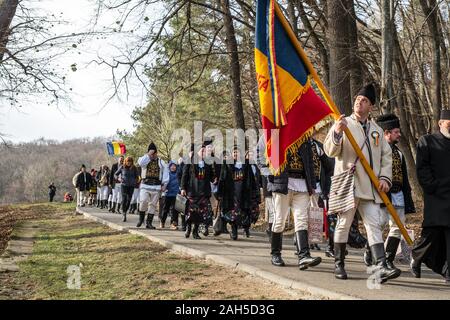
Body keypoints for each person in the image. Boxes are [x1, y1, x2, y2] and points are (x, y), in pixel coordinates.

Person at [324, 83, 400, 283]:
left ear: (371, 106)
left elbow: (386, 157)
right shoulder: (343, 123)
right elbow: (330, 151)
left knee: (373, 225)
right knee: (343, 225)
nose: (359, 102)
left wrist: (384, 178)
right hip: (348, 184)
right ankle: (339, 264)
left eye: (364, 100)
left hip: (369, 186)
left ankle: (381, 266)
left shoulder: (376, 130)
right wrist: (338, 133)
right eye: (358, 99)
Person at [366, 113, 415, 270]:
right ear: (386, 133)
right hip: (381, 193)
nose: (399, 134)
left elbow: (404, 178)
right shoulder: (376, 151)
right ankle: (371, 252)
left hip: (398, 194)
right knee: (378, 225)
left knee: (397, 227)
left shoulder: (399, 153)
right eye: (396, 132)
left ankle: (388, 258)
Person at [411, 110, 450, 284]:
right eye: (449, 122)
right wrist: (432, 186)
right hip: (436, 195)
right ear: (440, 123)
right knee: (432, 233)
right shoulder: (427, 141)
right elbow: (422, 168)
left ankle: (447, 271)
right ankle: (417, 256)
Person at [181, 144, 215, 239]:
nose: (204, 152)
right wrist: (183, 188)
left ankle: (195, 231)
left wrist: (214, 179)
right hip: (192, 191)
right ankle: (188, 228)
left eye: (205, 151)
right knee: (191, 212)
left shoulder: (207, 163)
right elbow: (185, 176)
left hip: (203, 192)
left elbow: (211, 175)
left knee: (200, 213)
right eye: (202, 151)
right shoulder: (190, 162)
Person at [137, 142, 169, 229]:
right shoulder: (144, 160)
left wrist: (165, 184)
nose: (153, 155)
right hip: (145, 185)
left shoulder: (161, 162)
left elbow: (166, 173)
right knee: (143, 201)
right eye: (152, 153)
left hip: (156, 186)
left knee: (153, 205)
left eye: (154, 153)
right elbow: (140, 163)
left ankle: (149, 223)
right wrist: (148, 155)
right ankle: (141, 218)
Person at [115, 156, 139, 222]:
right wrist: (119, 179)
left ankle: (125, 210)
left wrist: (135, 181)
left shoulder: (134, 168)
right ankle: (124, 213)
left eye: (130, 161)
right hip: (124, 185)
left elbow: (137, 177)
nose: (129, 163)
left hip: (131, 186)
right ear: (125, 161)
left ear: (132, 162)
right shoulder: (122, 167)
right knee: (124, 199)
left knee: (129, 200)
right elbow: (115, 174)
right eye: (128, 161)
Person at [160, 161, 180, 229]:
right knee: (165, 209)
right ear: (169, 167)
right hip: (167, 194)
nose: (173, 167)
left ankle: (173, 223)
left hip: (176, 194)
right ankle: (162, 222)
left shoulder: (178, 174)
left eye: (174, 166)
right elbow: (163, 183)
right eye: (172, 166)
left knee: (175, 210)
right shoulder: (167, 174)